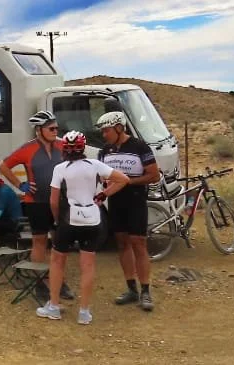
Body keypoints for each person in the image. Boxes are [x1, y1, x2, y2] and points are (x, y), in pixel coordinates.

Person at [36, 131, 129, 325]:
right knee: (87, 266)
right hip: (93, 220)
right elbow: (123, 179)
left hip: (69, 221)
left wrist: (56, 220)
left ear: (64, 149)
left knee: (57, 261)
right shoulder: (95, 165)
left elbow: (53, 201)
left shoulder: (60, 168)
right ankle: (84, 312)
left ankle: (53, 306)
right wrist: (104, 194)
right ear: (83, 147)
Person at [0, 110, 73, 299]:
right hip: (36, 203)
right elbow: (3, 166)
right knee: (39, 242)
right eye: (51, 128)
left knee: (59, 242)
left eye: (57, 127)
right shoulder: (27, 148)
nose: (56, 131)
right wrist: (20, 185)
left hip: (59, 201)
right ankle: (40, 282)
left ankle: (59, 281)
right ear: (39, 130)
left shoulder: (63, 145)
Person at [96, 111, 161, 311]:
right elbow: (101, 175)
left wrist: (127, 182)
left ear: (119, 128)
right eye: (102, 131)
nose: (103, 135)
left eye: (106, 130)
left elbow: (154, 175)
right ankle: (131, 289)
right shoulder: (104, 150)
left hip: (135, 201)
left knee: (139, 244)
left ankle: (146, 291)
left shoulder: (139, 146)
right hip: (115, 203)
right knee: (122, 244)